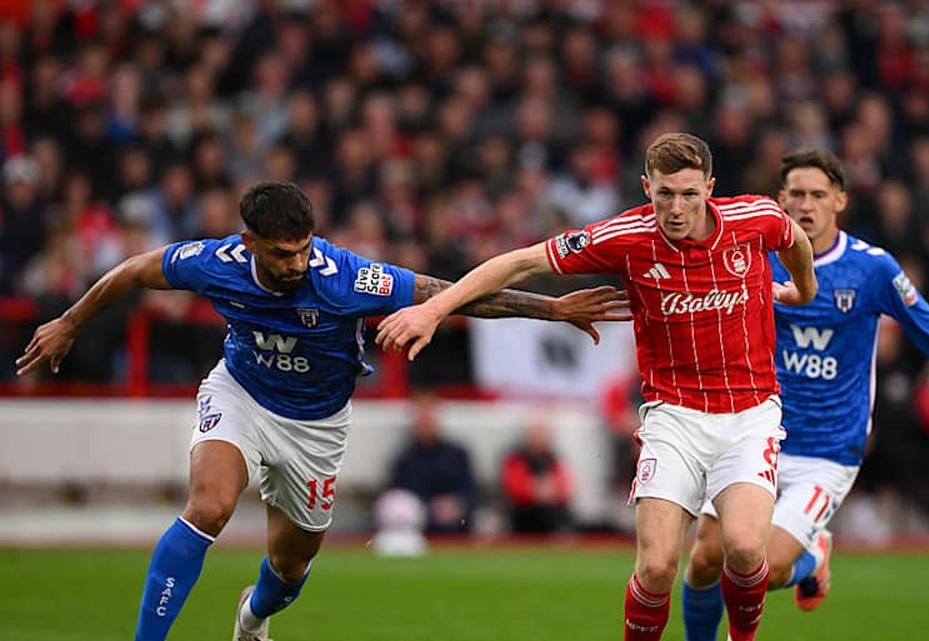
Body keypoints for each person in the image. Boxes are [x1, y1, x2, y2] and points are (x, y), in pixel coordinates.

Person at [14, 181, 631, 641]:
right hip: (241, 394)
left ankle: (252, 616)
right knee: (209, 506)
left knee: (291, 567)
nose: (298, 263)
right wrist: (70, 321)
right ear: (249, 242)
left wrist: (552, 310)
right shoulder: (215, 264)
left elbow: (446, 297)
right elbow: (133, 272)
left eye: (304, 248)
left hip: (316, 427)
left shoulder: (344, 278)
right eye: (283, 253)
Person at [377, 132, 818, 641]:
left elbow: (794, 238)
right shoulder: (626, 236)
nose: (676, 208)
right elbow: (518, 261)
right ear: (645, 187)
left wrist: (802, 290)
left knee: (743, 549)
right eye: (664, 194)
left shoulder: (752, 219)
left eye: (689, 194)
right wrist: (434, 309)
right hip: (673, 415)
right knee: (656, 568)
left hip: (749, 412)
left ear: (710, 189)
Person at [679, 149, 929, 641]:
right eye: (797, 194)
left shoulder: (870, 269)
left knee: (760, 570)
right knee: (703, 557)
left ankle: (812, 559)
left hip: (826, 451)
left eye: (818, 195)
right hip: (753, 432)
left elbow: (928, 327)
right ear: (780, 200)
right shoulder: (753, 257)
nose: (806, 205)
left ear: (840, 200)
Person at [388, 390, 477, 534]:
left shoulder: (457, 455)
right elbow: (401, 497)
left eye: (428, 417)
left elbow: (470, 491)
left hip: (456, 525)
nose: (425, 423)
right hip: (419, 526)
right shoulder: (405, 459)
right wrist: (429, 508)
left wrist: (456, 505)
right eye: (421, 418)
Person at [501, 421, 574, 533]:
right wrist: (535, 491)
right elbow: (514, 486)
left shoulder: (553, 458)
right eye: (536, 434)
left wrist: (550, 490)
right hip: (525, 509)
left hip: (550, 506)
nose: (539, 438)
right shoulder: (517, 458)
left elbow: (564, 486)